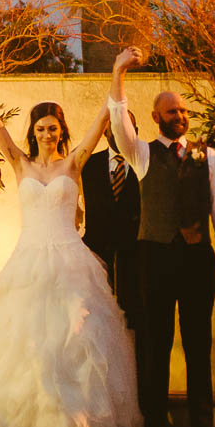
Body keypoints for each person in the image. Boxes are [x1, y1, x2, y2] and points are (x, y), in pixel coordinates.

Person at [0, 46, 141, 427]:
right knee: (26, 341)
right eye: (40, 128)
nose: (46, 133)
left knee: (74, 339)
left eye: (53, 127)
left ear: (62, 131)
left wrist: (117, 71)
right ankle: (24, 423)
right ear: (32, 132)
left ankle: (76, 420)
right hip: (28, 260)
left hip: (71, 260)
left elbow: (105, 115)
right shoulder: (19, 164)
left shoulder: (74, 162)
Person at [108, 46, 215, 427]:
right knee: (155, 341)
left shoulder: (208, 155)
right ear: (155, 118)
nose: (178, 116)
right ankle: (155, 426)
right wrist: (119, 72)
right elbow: (117, 122)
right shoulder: (142, 153)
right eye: (171, 111)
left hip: (198, 257)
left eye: (182, 110)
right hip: (155, 256)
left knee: (199, 342)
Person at [81, 118, 143, 337]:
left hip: (137, 261)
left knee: (136, 328)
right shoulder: (87, 164)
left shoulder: (145, 164)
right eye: (115, 128)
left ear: (136, 131)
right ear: (105, 132)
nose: (121, 133)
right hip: (97, 259)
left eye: (127, 127)